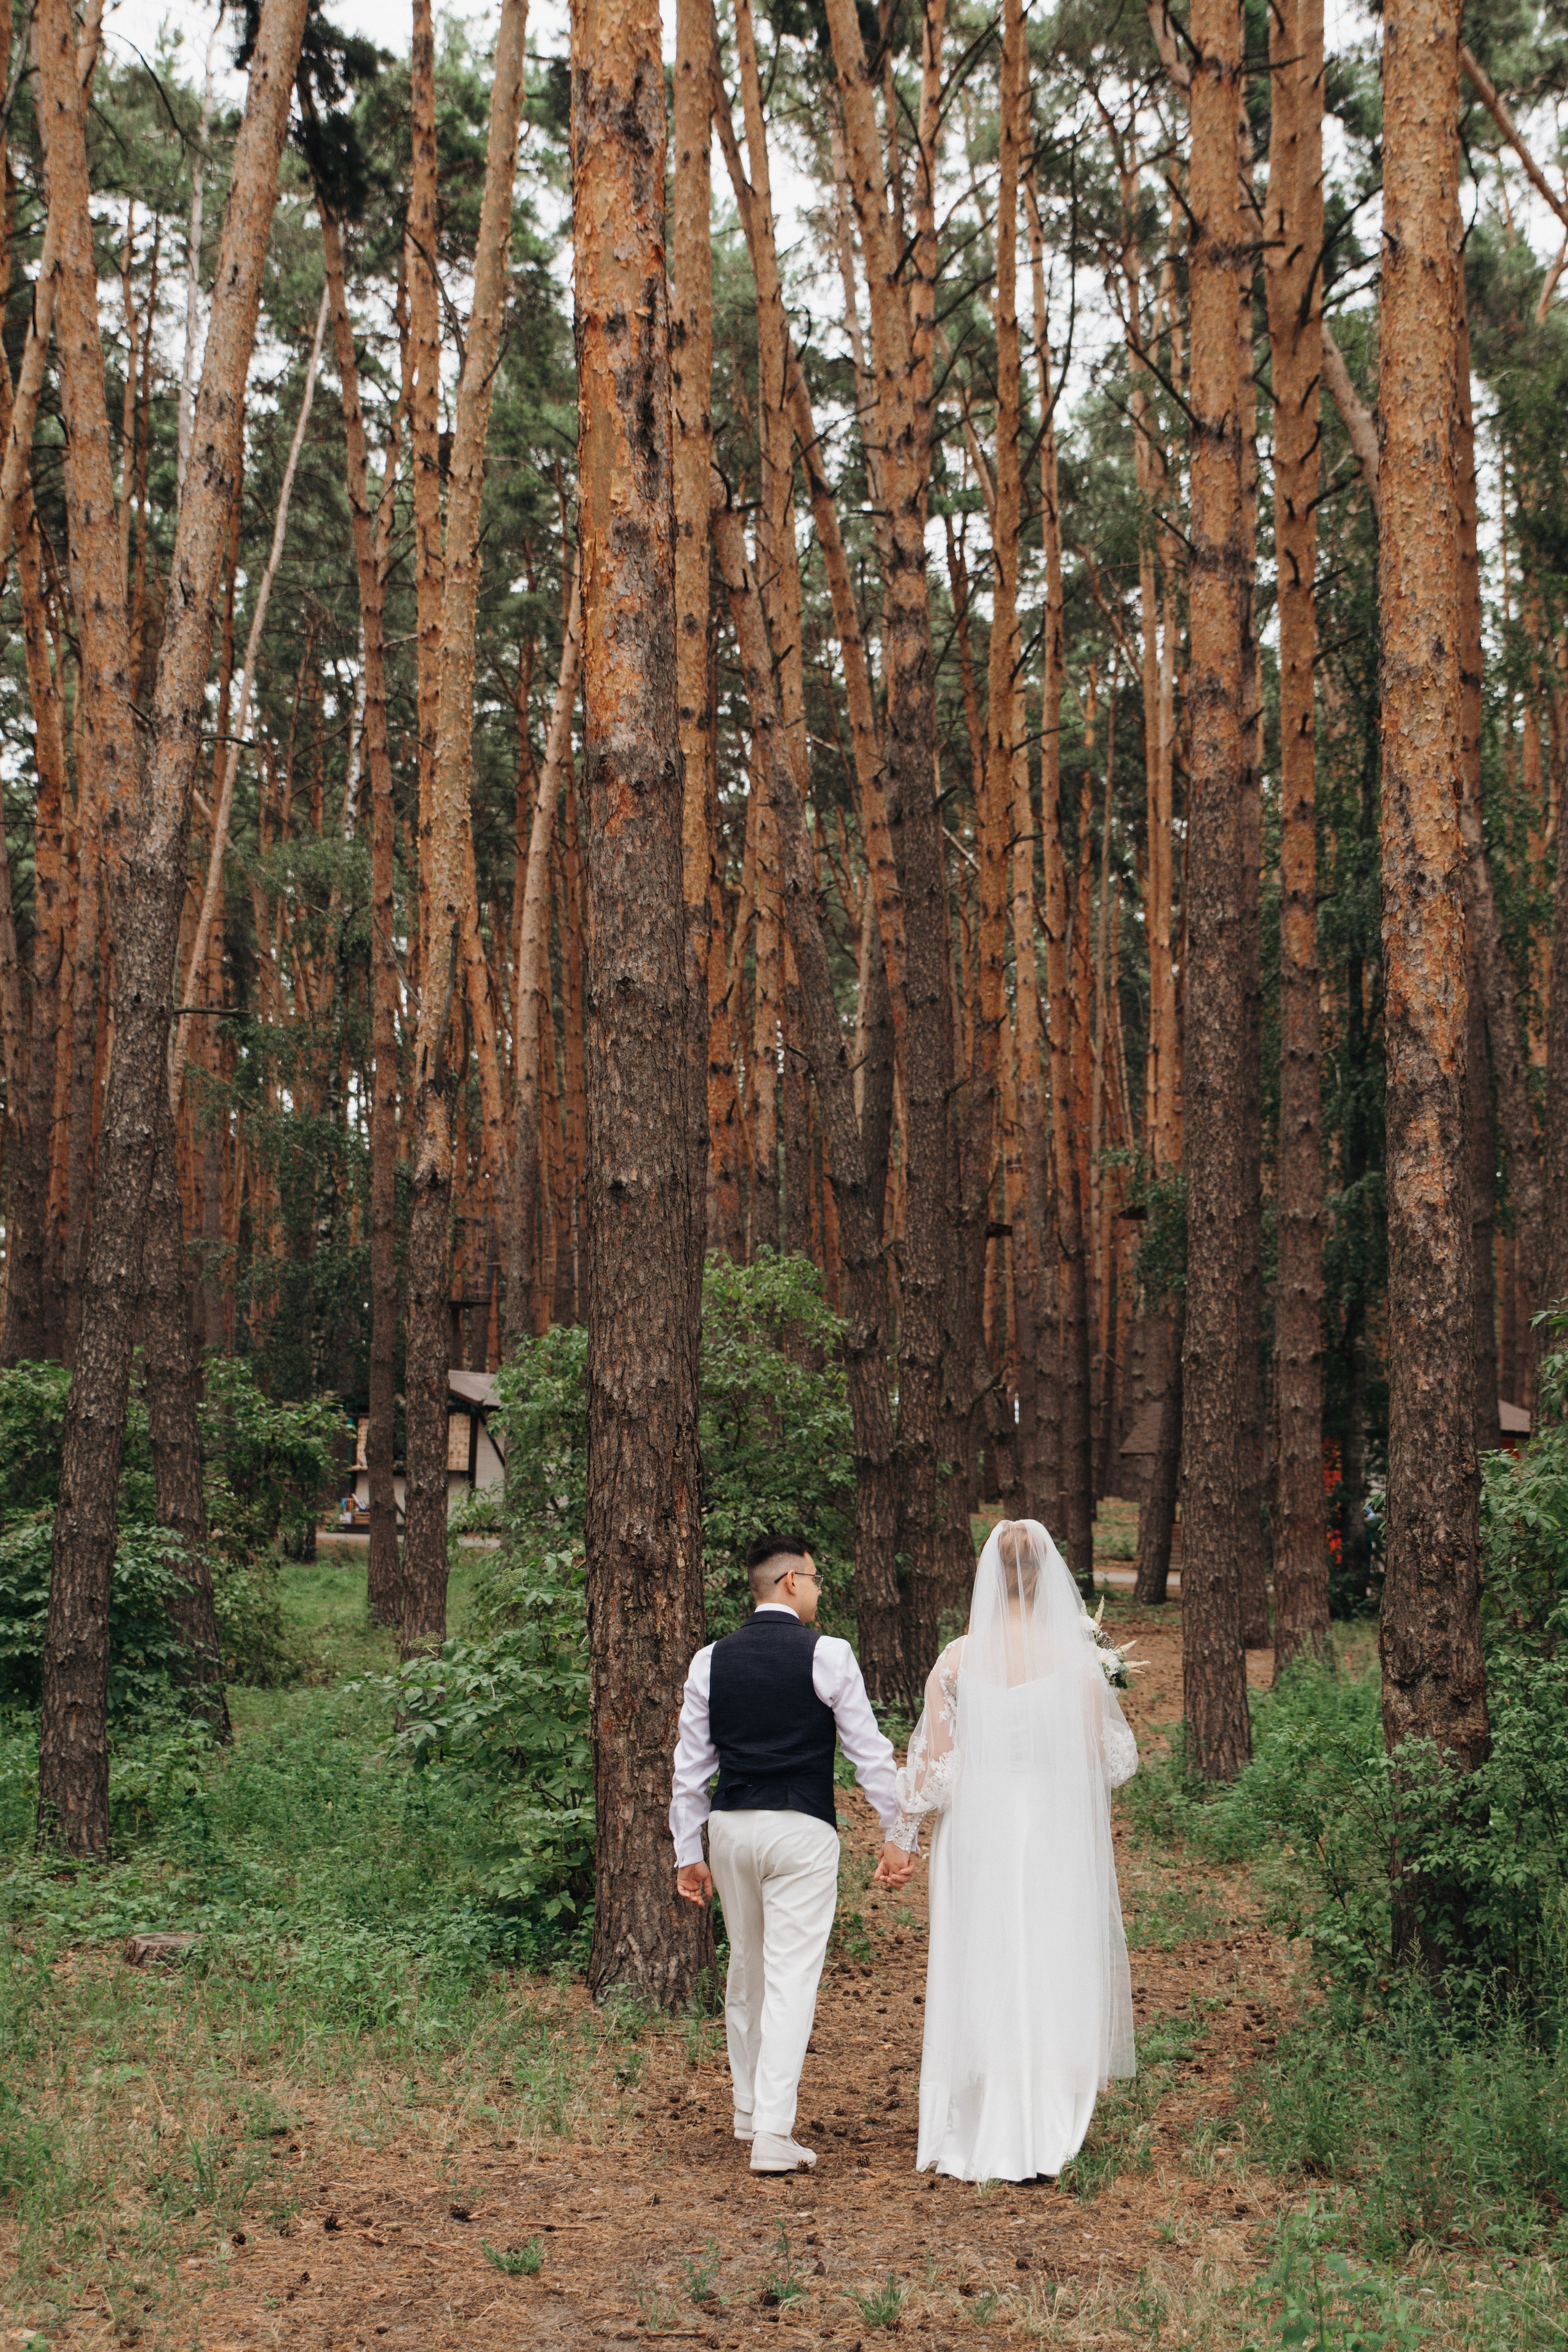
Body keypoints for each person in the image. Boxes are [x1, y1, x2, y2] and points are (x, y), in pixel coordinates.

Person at [873, 1518, 1139, 2182]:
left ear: (988, 1577)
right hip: (1048, 1824)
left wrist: (899, 1838)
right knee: (1046, 1955)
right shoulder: (1076, 1660)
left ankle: (980, 2112)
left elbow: (935, 1766)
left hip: (980, 1826)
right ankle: (1046, 2114)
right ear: (1047, 1578)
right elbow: (1105, 1760)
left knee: (982, 1956)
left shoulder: (958, 1660)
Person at [670, 1533, 907, 2174]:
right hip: (800, 1828)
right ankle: (773, 2132)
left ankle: (749, 2112)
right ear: (791, 1582)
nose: (820, 1591)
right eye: (817, 1579)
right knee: (791, 1977)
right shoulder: (827, 1654)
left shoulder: (709, 1660)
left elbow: (689, 1769)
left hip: (729, 1827)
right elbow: (868, 1750)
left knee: (745, 1969)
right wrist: (897, 1832)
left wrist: (685, 1851)